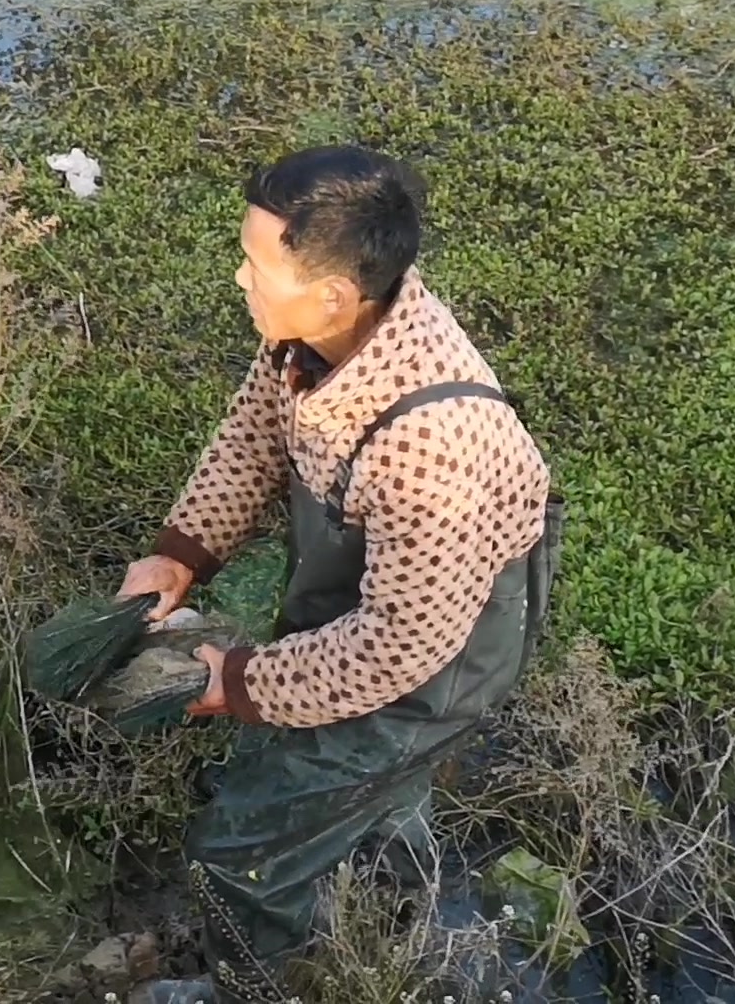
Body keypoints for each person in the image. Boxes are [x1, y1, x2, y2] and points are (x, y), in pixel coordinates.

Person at [117, 145, 566, 1004]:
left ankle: (269, 984)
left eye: (253, 263)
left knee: (241, 849)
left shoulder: (433, 445)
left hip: (438, 654)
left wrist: (233, 682)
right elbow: (254, 436)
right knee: (368, 788)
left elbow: (396, 650)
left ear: (330, 291)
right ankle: (408, 899)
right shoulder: (312, 334)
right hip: (380, 607)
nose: (238, 279)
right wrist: (180, 554)